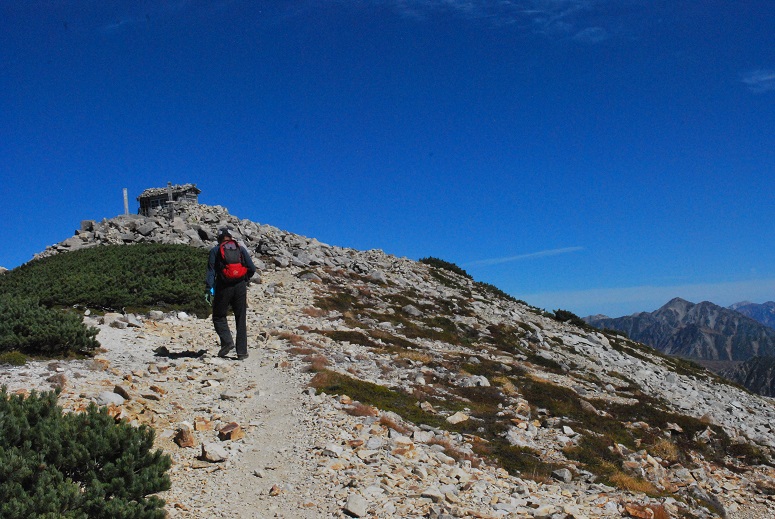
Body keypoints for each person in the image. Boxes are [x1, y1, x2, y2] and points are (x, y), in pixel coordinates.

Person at [205, 227, 257, 360]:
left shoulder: (215, 250)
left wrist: (208, 288)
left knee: (218, 315)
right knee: (240, 318)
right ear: (230, 237)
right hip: (240, 286)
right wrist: (245, 279)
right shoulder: (240, 248)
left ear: (219, 239)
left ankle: (227, 342)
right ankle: (242, 352)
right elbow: (252, 268)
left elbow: (211, 271)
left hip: (224, 286)